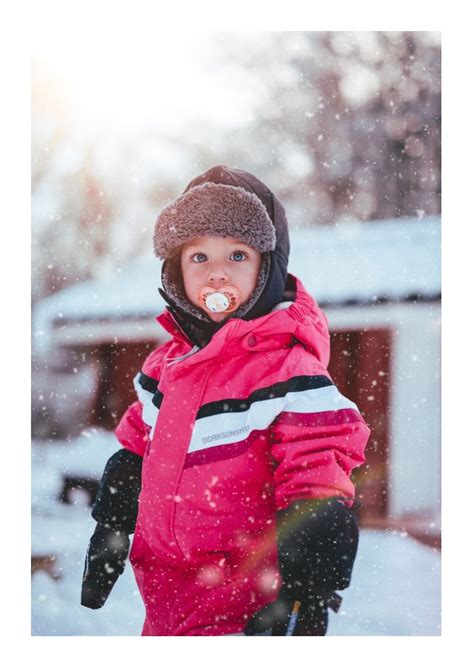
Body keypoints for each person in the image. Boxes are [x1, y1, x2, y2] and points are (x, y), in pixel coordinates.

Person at [81, 165, 371, 636]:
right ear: (175, 270)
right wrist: (113, 523)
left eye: (237, 254)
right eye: (199, 256)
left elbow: (318, 471)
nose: (217, 273)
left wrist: (308, 585)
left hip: (248, 599)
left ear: (267, 268)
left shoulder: (287, 371)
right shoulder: (166, 367)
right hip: (167, 594)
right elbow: (139, 446)